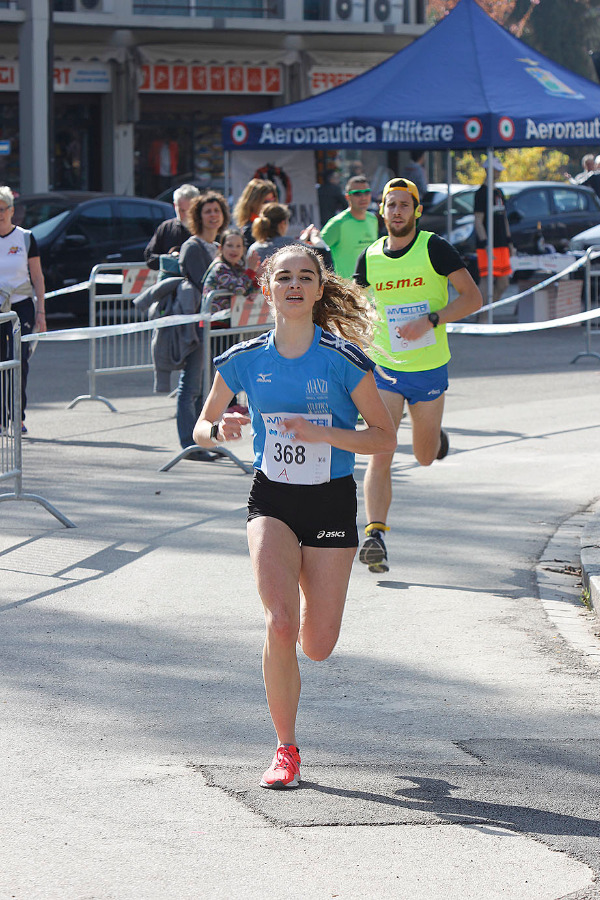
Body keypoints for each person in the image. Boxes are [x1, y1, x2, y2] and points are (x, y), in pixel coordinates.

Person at [192, 244, 396, 788]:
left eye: (306, 277)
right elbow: (201, 427)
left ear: (319, 289)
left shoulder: (341, 359)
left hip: (330, 501)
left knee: (317, 645)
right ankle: (286, 750)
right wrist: (220, 431)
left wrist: (322, 432)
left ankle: (310, 602)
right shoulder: (244, 359)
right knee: (280, 623)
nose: (295, 285)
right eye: (284, 277)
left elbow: (384, 437)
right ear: (267, 289)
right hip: (272, 500)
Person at [354, 177, 482, 574]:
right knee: (381, 451)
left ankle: (436, 438)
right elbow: (358, 306)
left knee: (424, 457)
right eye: (391, 205)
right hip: (385, 369)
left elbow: (473, 298)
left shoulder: (434, 248)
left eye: (404, 205)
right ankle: (375, 536)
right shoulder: (369, 257)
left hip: (428, 368)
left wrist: (431, 319)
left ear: (417, 211)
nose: (397, 212)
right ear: (382, 211)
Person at [176, 191, 229, 459]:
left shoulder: (218, 246)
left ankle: (204, 440)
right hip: (196, 324)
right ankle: (190, 443)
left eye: (216, 211)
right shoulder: (193, 247)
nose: (213, 216)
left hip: (214, 327)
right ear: (198, 216)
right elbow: (205, 285)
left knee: (206, 386)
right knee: (191, 385)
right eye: (207, 211)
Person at [0, 185, 46, 434]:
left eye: (3, 209)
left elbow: (37, 277)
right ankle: (0, 418)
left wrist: (41, 312)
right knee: (0, 362)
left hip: (21, 307)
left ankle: (17, 415)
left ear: (11, 211)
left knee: (19, 360)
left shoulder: (26, 238)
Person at [320, 175, 379, 279]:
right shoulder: (337, 223)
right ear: (347, 197)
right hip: (347, 287)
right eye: (357, 193)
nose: (363, 197)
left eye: (367, 192)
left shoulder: (373, 220)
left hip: (372, 287)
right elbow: (318, 253)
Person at [473, 157, 513, 305]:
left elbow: (504, 219)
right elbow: (478, 221)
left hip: (501, 243)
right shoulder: (481, 193)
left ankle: (487, 309)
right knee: (486, 279)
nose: (498, 173)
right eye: (496, 170)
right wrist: (485, 243)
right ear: (488, 170)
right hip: (488, 244)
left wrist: (509, 242)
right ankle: (482, 313)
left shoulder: (499, 192)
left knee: (504, 283)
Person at [201, 227, 260, 319]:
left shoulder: (238, 268)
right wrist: (251, 271)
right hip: (214, 322)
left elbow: (248, 293)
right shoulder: (220, 268)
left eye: (238, 246)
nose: (234, 249)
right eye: (229, 245)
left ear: (243, 250)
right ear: (221, 248)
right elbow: (239, 289)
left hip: (232, 321)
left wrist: (257, 278)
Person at [144, 183, 201, 277]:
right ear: (175, 206)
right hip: (171, 282)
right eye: (182, 210)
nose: (186, 215)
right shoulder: (166, 228)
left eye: (190, 211)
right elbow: (150, 257)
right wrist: (170, 258)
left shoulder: (206, 228)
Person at [233, 178, 278, 248]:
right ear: (253, 203)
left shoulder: (276, 225)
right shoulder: (249, 230)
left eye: (273, 201)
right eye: (265, 202)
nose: (270, 205)